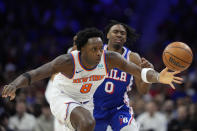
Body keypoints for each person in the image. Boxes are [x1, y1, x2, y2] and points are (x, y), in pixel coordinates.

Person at [2, 28, 183, 131]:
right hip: (63, 96)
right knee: (87, 122)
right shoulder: (67, 62)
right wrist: (14, 84)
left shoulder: (109, 58)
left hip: (87, 101)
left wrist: (159, 76)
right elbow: (34, 74)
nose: (99, 52)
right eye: (94, 49)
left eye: (99, 48)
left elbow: (139, 72)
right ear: (81, 50)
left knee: (88, 123)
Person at [93, 20, 153, 131]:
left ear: (125, 38)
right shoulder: (97, 52)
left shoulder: (133, 58)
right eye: (115, 32)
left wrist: (148, 74)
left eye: (122, 33)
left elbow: (143, 90)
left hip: (118, 109)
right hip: (93, 108)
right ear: (108, 35)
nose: (119, 34)